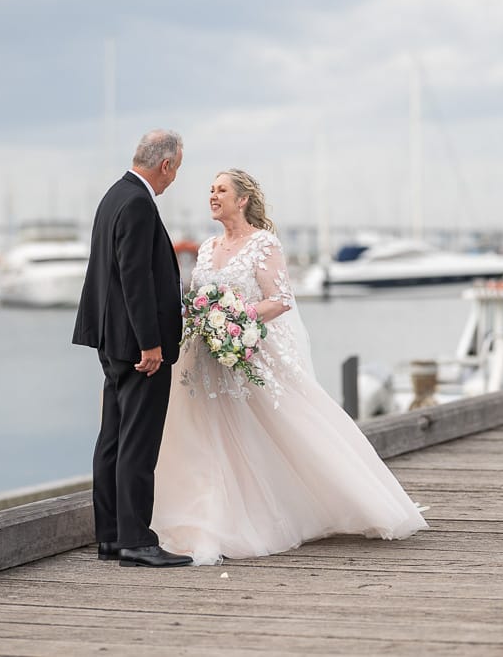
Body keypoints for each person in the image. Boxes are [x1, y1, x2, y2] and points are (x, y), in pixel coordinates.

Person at [151, 169, 427, 565]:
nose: (213, 195)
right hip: (206, 355)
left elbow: (279, 299)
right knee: (208, 434)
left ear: (241, 200)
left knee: (278, 428)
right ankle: (212, 516)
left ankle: (333, 501)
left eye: (222, 190)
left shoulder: (263, 244)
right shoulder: (208, 247)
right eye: (211, 190)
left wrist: (236, 318)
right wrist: (203, 317)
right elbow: (198, 296)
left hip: (246, 348)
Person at [72, 129, 193, 568]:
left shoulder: (113, 196)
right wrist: (151, 343)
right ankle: (137, 541)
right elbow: (135, 277)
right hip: (137, 346)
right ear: (164, 165)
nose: (173, 180)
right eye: (176, 170)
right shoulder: (140, 203)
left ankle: (111, 537)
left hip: (110, 340)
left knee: (113, 437)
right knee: (137, 444)